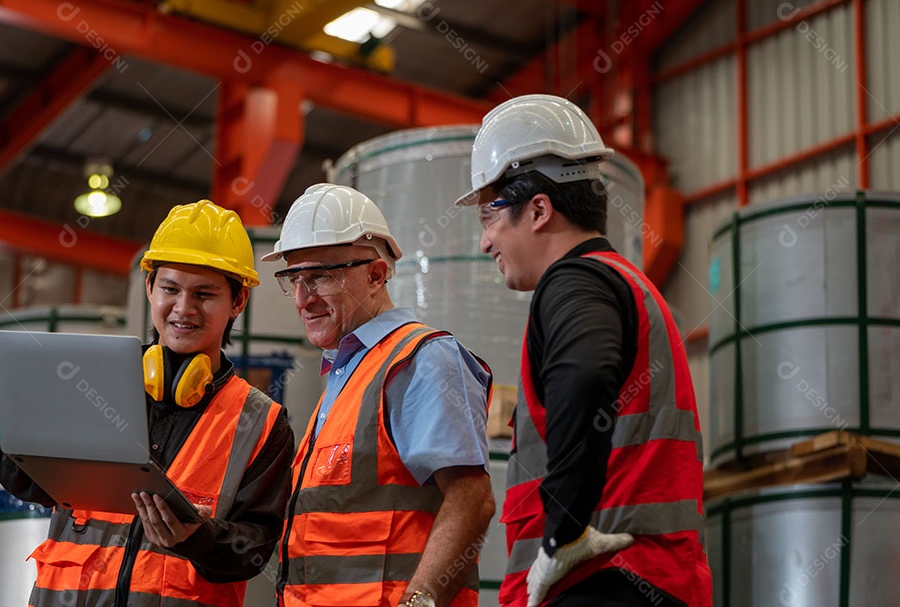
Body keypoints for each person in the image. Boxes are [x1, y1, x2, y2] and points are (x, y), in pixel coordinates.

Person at [454, 94, 712, 607]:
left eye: (489, 216)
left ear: (539, 210)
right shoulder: (624, 283)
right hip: (643, 578)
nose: (485, 242)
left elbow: (586, 378)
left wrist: (564, 534)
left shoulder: (575, 281)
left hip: (602, 582)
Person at [0, 200, 295, 607]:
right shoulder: (91, 380)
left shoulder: (261, 423)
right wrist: (27, 427)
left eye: (204, 294)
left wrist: (197, 538)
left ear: (237, 301)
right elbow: (21, 481)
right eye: (170, 289)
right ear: (150, 288)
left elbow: (255, 549)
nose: (183, 309)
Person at [263, 183, 495, 607]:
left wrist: (420, 602)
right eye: (293, 278)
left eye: (318, 277)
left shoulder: (423, 359)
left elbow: (472, 500)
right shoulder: (345, 373)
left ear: (375, 275)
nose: (302, 299)